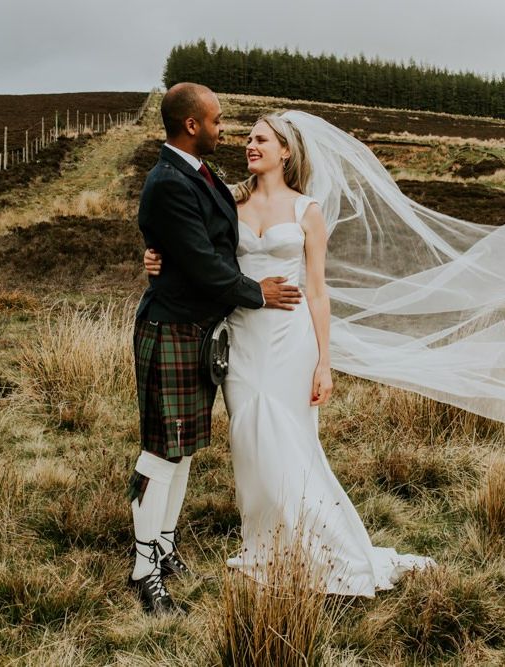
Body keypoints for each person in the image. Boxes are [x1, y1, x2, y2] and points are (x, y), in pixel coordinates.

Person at [145, 112, 436, 596]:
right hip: (241, 339)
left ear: (286, 151)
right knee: (249, 441)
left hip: (291, 341)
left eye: (261, 139)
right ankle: (267, 545)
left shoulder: (307, 212)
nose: (249, 145)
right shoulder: (227, 200)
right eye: (248, 139)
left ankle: (328, 550)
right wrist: (153, 255)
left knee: (290, 444)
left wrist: (324, 361)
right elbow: (191, 250)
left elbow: (319, 293)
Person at [129, 83, 303, 616]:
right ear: (191, 125)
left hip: (199, 331)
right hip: (172, 327)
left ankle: (163, 543)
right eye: (218, 121)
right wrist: (258, 293)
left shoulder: (201, 175)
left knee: (181, 448)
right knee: (161, 450)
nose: (223, 129)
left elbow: (211, 240)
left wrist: (160, 257)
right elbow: (205, 263)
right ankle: (143, 571)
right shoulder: (168, 182)